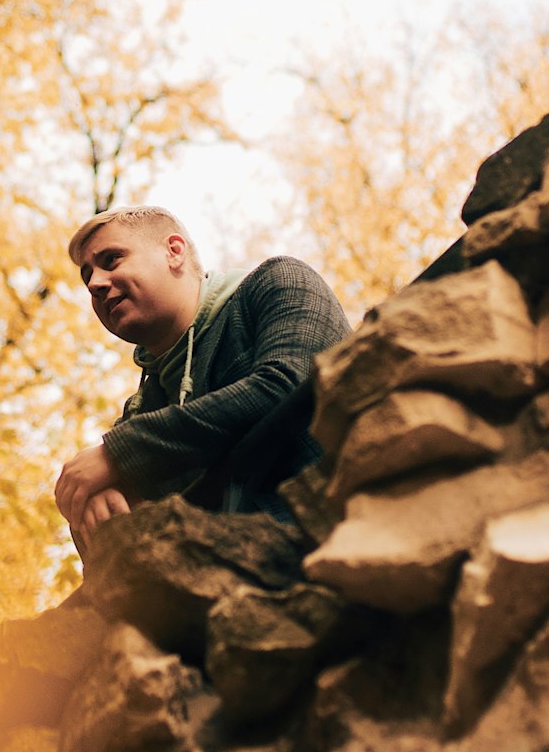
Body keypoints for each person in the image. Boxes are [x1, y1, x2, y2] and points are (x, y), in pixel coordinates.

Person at [54, 205, 351, 552]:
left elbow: (290, 386)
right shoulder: (141, 412)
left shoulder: (278, 282)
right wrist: (93, 501)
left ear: (174, 251)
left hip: (340, 545)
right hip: (224, 592)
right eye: (87, 275)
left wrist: (118, 456)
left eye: (111, 260)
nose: (95, 284)